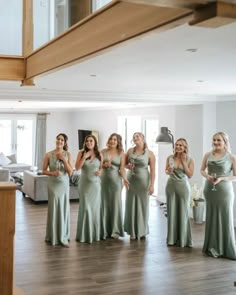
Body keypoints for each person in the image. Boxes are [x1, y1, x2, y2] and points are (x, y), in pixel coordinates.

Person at [200, 132, 236, 260]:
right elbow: (202, 170)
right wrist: (207, 176)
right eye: (214, 140)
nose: (215, 142)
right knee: (211, 216)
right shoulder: (207, 155)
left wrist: (222, 178)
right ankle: (212, 245)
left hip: (224, 190)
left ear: (225, 142)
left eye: (218, 140)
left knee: (225, 216)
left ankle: (226, 248)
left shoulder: (231, 157)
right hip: (210, 189)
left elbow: (235, 176)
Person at [42, 133, 73, 247]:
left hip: (64, 185)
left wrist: (64, 159)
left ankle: (63, 236)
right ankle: (52, 236)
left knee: (63, 209)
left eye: (62, 140)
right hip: (53, 185)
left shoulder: (68, 154)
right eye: (58, 139)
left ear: (64, 143)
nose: (59, 141)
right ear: (56, 140)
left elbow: (70, 172)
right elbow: (43, 171)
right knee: (54, 208)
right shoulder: (48, 155)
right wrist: (53, 173)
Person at [124, 132, 156, 240]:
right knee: (131, 204)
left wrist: (152, 185)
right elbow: (123, 164)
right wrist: (127, 166)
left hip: (143, 182)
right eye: (133, 137)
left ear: (143, 138)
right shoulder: (129, 151)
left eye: (137, 136)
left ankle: (142, 231)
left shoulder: (150, 153)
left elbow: (153, 171)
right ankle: (132, 231)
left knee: (143, 205)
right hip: (131, 181)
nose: (135, 138)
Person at [165, 138, 194, 247]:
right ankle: (172, 239)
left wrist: (183, 162)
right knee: (172, 212)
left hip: (183, 187)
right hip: (171, 186)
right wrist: (168, 171)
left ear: (185, 147)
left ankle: (183, 240)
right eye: (177, 145)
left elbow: (190, 175)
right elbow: (166, 171)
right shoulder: (170, 158)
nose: (178, 147)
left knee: (183, 212)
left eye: (181, 145)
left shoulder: (190, 159)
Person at [75, 135, 103, 243]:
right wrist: (84, 156)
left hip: (95, 186)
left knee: (94, 209)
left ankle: (94, 234)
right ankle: (84, 235)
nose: (89, 143)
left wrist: (100, 172)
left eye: (91, 141)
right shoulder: (81, 153)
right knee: (86, 208)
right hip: (84, 185)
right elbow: (77, 167)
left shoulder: (99, 154)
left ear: (95, 142)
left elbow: (101, 168)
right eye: (87, 141)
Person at [101, 133, 129, 239]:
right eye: (111, 139)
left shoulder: (121, 153)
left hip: (116, 183)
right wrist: (104, 165)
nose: (113, 141)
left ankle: (115, 230)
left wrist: (125, 179)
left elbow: (122, 169)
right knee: (103, 204)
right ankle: (103, 230)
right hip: (103, 182)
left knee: (115, 204)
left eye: (115, 140)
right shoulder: (102, 151)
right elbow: (97, 166)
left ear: (118, 142)